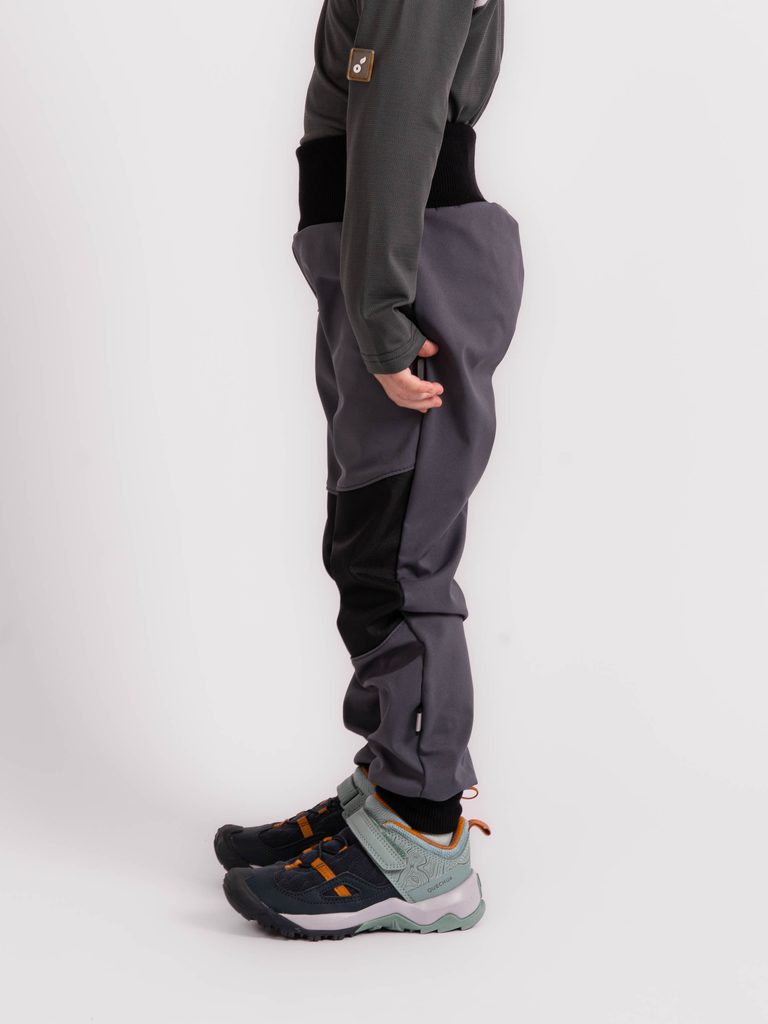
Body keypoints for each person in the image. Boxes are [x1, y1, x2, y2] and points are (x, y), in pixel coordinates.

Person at [216, 0, 523, 940]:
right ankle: (390, 791)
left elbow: (399, 109)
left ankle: (422, 841)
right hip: (380, 263)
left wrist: (383, 312)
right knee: (369, 545)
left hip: (406, 272)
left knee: (395, 561)